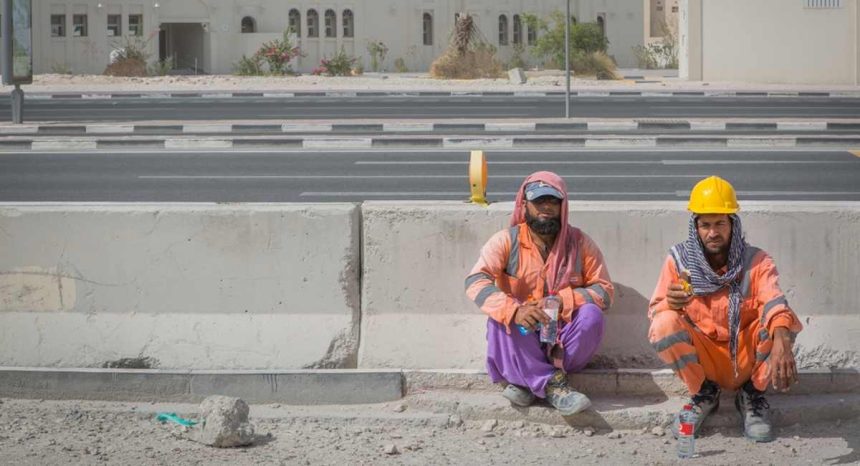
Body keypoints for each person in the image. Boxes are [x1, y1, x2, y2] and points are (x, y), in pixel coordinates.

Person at [648, 176, 803, 443]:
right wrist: (671, 303)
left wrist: (782, 339)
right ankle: (703, 393)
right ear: (695, 227)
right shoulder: (679, 261)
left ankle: (752, 395)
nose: (713, 232)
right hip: (705, 357)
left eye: (720, 223)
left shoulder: (756, 261)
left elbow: (774, 300)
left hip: (743, 356)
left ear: (733, 224)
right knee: (664, 323)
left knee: (780, 323)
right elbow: (656, 311)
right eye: (705, 225)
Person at [465, 171, 614, 415]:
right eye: (539, 202)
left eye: (552, 201)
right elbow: (475, 281)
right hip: (524, 331)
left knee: (591, 315)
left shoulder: (580, 242)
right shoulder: (505, 241)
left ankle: (527, 382)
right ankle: (554, 386)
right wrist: (516, 309)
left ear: (562, 206)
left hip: (562, 336)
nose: (546, 208)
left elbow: (604, 290)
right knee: (501, 318)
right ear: (524, 205)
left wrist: (562, 300)